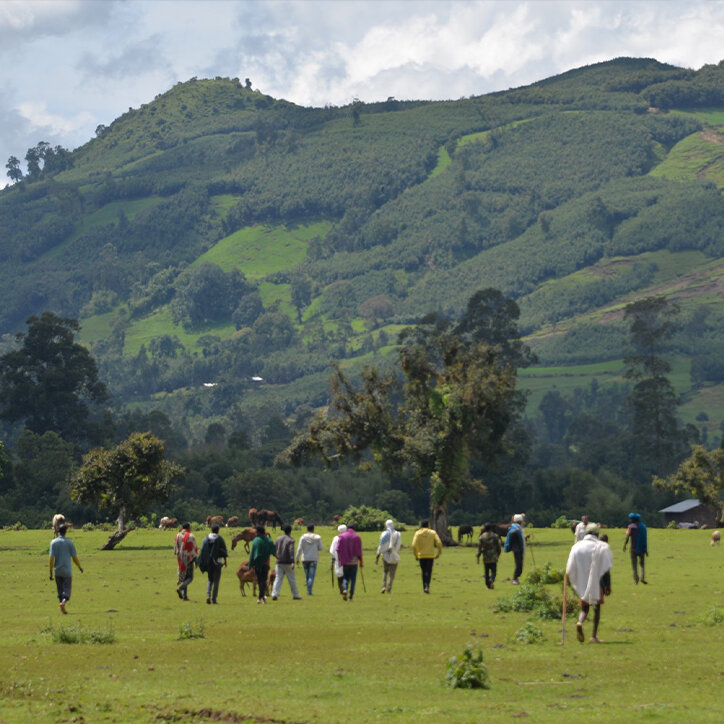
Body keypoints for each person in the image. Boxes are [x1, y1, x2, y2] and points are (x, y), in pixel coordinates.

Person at [566, 522, 614, 643]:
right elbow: (606, 568)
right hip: (597, 584)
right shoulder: (601, 547)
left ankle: (579, 622)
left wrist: (571, 581)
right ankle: (594, 636)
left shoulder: (577, 547)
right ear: (597, 534)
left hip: (582, 583)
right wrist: (608, 585)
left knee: (584, 609)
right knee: (596, 609)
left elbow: (569, 568)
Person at [49, 523, 83, 614]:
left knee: (60, 590)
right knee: (67, 589)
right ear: (66, 532)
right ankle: (63, 603)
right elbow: (74, 558)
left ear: (59, 532)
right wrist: (79, 567)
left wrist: (50, 572)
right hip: (67, 570)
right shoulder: (70, 542)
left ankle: (62, 610)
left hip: (57, 570)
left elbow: (51, 559)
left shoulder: (53, 543)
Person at [411, 520, 442, 594]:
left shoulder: (417, 533)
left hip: (421, 556)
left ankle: (424, 586)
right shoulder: (432, 533)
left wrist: (416, 555)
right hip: (430, 555)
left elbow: (413, 545)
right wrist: (438, 553)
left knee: (423, 571)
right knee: (429, 571)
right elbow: (439, 543)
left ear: (421, 526)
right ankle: (427, 586)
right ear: (428, 526)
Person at [271, 524, 302, 600]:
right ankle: (296, 595)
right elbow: (291, 551)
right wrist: (292, 562)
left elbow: (273, 549)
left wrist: (276, 556)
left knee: (278, 578)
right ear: (290, 531)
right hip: (288, 562)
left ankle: (275, 594)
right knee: (292, 579)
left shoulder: (278, 539)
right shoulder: (291, 540)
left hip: (279, 562)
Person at [200, 524, 228, 604]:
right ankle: (214, 599)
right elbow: (224, 551)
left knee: (210, 579)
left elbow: (202, 550)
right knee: (216, 581)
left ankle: (208, 595)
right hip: (217, 562)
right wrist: (225, 562)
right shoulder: (219, 538)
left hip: (209, 562)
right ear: (218, 530)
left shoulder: (206, 538)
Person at [249, 526, 276, 604]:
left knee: (260, 580)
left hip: (257, 564)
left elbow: (252, 553)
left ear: (258, 532)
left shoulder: (256, 541)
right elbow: (274, 551)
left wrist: (250, 565)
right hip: (266, 564)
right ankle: (262, 597)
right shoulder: (269, 541)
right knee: (263, 580)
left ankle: (260, 597)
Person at [336, 525, 363, 601]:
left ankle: (344, 589)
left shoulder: (342, 536)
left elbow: (338, 549)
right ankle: (351, 597)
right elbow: (359, 551)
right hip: (354, 562)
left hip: (345, 561)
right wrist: (361, 561)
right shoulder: (357, 537)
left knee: (345, 577)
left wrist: (340, 559)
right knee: (353, 579)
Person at [296, 524, 323, 595]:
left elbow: (299, 549)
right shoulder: (317, 538)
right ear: (313, 529)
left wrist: (297, 558)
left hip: (305, 558)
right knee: (311, 576)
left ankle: (308, 589)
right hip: (314, 558)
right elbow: (321, 548)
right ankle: (309, 591)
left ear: (307, 529)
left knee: (307, 575)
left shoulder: (303, 537)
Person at [376, 519, 401, 594]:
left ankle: (383, 586)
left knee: (385, 571)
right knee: (392, 573)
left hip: (385, 555)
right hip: (394, 555)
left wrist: (377, 556)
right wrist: (395, 552)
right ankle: (389, 589)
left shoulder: (384, 534)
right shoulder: (398, 534)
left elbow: (381, 546)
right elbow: (398, 545)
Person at [174, 522, 198, 601]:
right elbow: (193, 549)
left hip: (180, 560)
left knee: (185, 578)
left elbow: (175, 550)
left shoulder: (177, 536)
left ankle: (185, 596)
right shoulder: (191, 536)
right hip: (188, 559)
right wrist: (195, 559)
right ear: (188, 528)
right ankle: (181, 588)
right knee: (190, 578)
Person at [623, 512, 648, 584]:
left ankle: (636, 579)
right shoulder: (643, 527)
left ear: (633, 520)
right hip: (642, 549)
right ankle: (642, 577)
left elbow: (627, 537)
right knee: (642, 564)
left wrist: (625, 545)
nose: (629, 520)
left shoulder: (631, 527)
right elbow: (645, 538)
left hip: (633, 549)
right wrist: (645, 549)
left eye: (630, 519)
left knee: (634, 565)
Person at [476, 523, 502, 589]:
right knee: (494, 571)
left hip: (485, 557)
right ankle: (492, 579)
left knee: (486, 572)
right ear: (491, 528)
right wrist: (498, 553)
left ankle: (488, 584)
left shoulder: (482, 537)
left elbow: (479, 547)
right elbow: (498, 546)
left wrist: (478, 555)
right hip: (493, 556)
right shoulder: (495, 536)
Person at [504, 514, 525, 584]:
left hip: (519, 549)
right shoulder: (515, 529)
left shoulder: (517, 528)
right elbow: (513, 535)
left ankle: (516, 578)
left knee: (520, 565)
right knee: (519, 565)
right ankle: (514, 579)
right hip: (517, 549)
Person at [330, 524, 346, 594]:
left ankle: (341, 590)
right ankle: (345, 589)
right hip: (347, 560)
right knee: (346, 575)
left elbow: (332, 551)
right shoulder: (347, 537)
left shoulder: (335, 538)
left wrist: (332, 561)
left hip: (338, 560)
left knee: (339, 576)